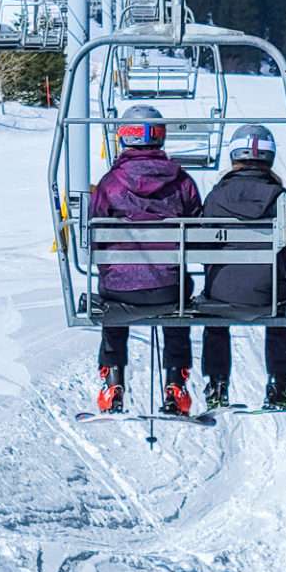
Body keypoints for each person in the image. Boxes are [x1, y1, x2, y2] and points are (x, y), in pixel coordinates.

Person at [90, 104, 202, 415]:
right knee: (177, 304)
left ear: (124, 138)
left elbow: (94, 234)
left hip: (120, 288)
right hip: (168, 288)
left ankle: (113, 384)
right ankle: (175, 387)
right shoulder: (183, 183)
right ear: (160, 138)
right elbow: (197, 233)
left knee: (114, 306)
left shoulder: (108, 185)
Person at [200, 124, 286, 410]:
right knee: (280, 309)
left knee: (215, 318)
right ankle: (280, 385)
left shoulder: (215, 197)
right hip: (265, 295)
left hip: (221, 292)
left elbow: (200, 247)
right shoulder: (280, 199)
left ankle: (218, 385)